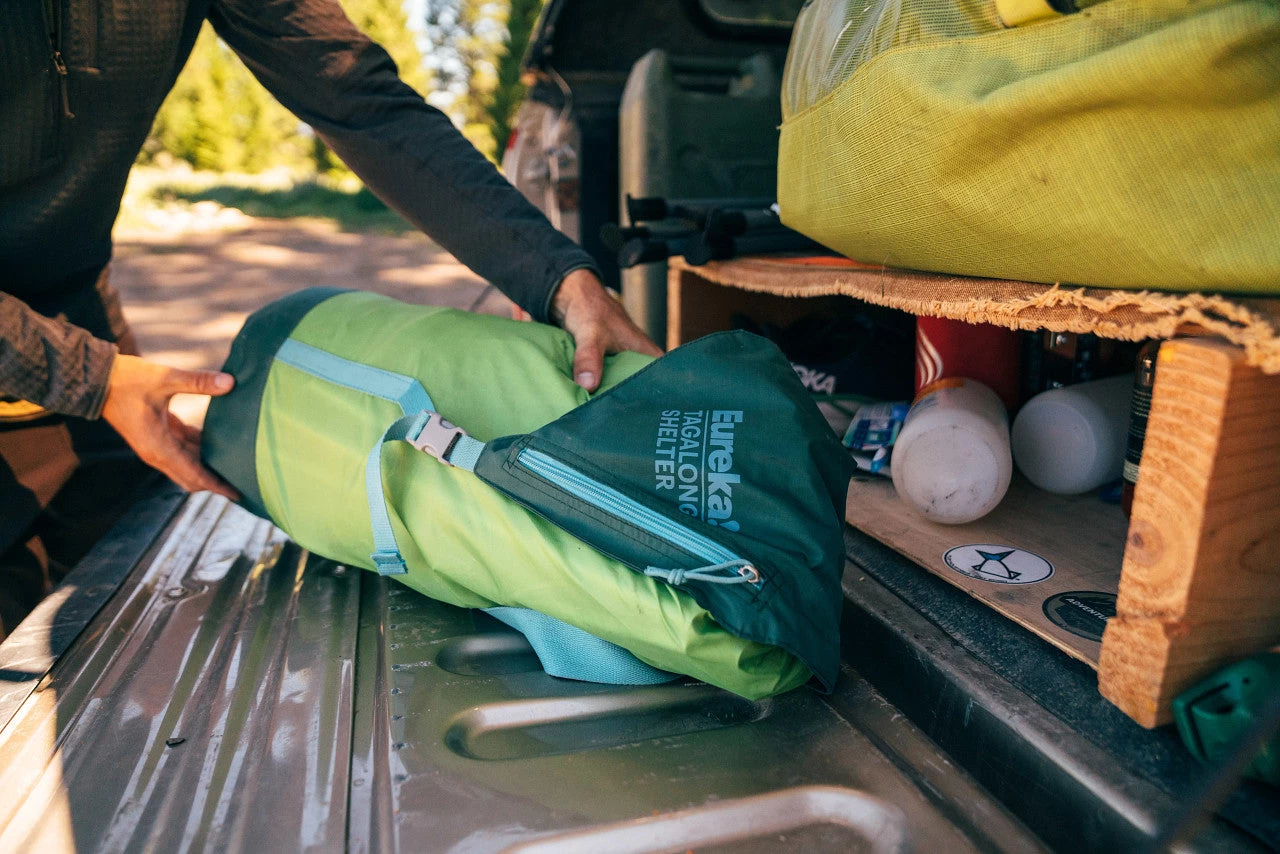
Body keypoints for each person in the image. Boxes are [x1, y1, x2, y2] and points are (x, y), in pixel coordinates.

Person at [0, 0, 660, 638]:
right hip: (79, 362)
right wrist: (91, 376)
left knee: (118, 606)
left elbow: (360, 99)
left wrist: (559, 277)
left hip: (75, 308)